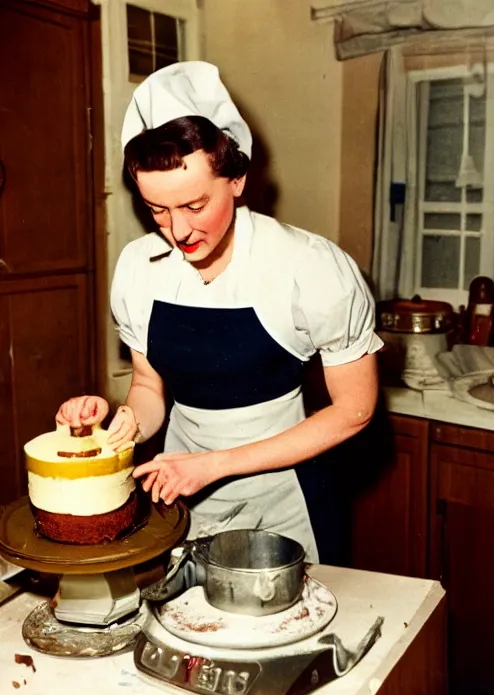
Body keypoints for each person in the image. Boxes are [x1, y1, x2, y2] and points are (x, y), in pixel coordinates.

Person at [56, 61, 383, 563]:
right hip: (181, 495)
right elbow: (148, 388)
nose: (178, 231)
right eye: (157, 210)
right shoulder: (141, 269)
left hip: (286, 501)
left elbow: (354, 411)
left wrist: (216, 464)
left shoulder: (308, 267)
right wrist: (119, 426)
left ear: (237, 178)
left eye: (193, 205)